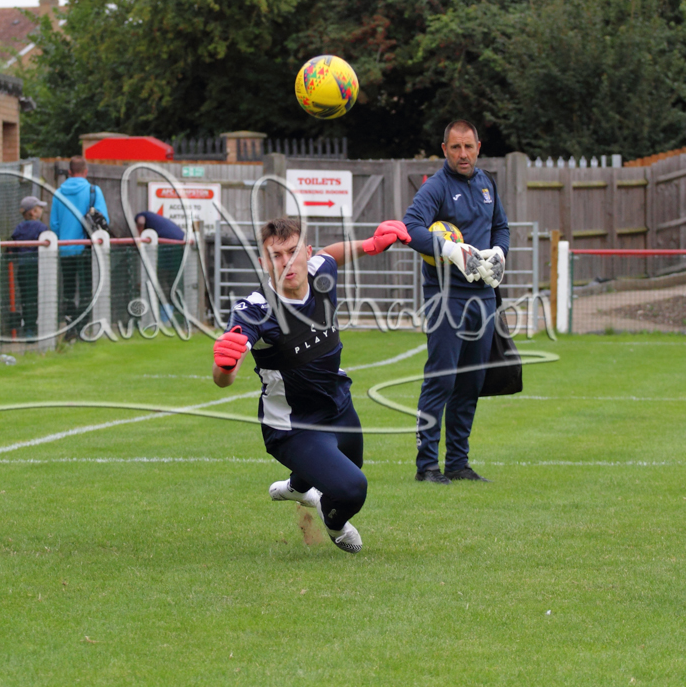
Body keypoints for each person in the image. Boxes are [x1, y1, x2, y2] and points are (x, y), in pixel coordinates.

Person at [211, 216, 412, 553]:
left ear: (307, 252)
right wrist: (224, 366)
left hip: (337, 404)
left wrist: (369, 246)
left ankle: (297, 487)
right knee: (351, 489)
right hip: (293, 425)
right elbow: (224, 378)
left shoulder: (320, 273)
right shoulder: (255, 310)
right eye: (275, 256)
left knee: (351, 465)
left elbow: (331, 254)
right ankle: (333, 523)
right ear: (263, 263)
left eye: (293, 252)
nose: (286, 262)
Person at [403, 119, 509, 484]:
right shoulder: (435, 187)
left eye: (468, 146)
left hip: (483, 297)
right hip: (445, 297)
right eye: (455, 147)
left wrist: (500, 252)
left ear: (478, 147)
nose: (463, 154)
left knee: (471, 382)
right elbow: (410, 229)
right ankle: (427, 466)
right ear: (444, 149)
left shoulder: (487, 184)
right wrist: (449, 250)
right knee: (442, 379)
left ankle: (458, 464)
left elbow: (501, 227)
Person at [49, 157, 109, 337]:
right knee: (86, 290)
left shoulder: (58, 193)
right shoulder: (93, 191)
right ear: (86, 171)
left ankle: (70, 327)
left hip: (66, 249)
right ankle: (82, 326)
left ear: (69, 172)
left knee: (68, 290)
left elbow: (54, 225)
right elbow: (104, 221)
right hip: (87, 249)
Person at [7, 195, 48, 337]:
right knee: (38, 297)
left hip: (23, 269)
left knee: (26, 298)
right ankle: (37, 327)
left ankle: (28, 328)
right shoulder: (42, 228)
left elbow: (12, 248)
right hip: (37, 269)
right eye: (39, 208)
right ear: (33, 212)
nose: (41, 210)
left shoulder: (19, 228)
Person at [135, 211, 185, 315]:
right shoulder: (155, 218)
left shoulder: (142, 215)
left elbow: (140, 221)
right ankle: (170, 310)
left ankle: (165, 312)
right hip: (180, 242)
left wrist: (139, 236)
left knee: (162, 278)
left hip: (168, 244)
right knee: (171, 280)